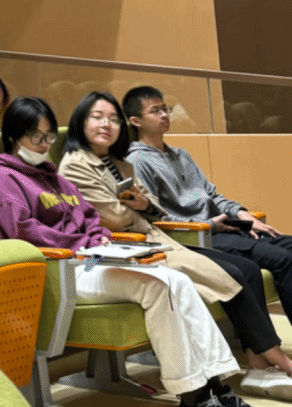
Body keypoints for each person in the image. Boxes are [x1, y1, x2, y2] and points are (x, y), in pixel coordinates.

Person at [0, 97, 267, 407]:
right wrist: (81, 243)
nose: (45, 144)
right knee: (157, 286)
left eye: (49, 136)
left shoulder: (53, 177)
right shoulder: (4, 179)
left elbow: (90, 216)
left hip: (93, 258)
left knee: (176, 279)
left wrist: (98, 238)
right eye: (36, 137)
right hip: (61, 268)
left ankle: (216, 386)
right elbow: (21, 231)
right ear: (13, 136)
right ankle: (193, 398)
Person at [58, 91, 292, 400]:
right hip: (118, 250)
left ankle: (258, 365)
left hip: (155, 238)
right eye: (97, 117)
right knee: (233, 274)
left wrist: (144, 206)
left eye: (113, 119)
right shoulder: (76, 165)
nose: (106, 125)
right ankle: (278, 363)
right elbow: (115, 217)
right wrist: (142, 207)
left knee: (246, 269)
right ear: (81, 122)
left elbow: (153, 207)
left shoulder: (120, 163)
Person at [125, 85, 292, 379]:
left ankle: (258, 354)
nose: (164, 115)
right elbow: (155, 215)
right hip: (198, 235)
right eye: (155, 111)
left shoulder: (181, 155)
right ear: (135, 120)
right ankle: (263, 355)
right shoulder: (136, 160)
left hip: (224, 225)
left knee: (288, 244)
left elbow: (213, 195)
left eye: (165, 109)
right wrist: (210, 224)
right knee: (282, 259)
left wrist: (241, 213)